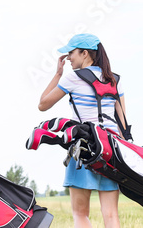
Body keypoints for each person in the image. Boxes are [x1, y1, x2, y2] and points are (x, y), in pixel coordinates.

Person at [38, 33, 125, 228]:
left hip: (84, 147)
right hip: (112, 149)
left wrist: (57, 74)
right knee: (111, 215)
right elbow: (123, 124)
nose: (68, 58)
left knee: (80, 214)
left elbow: (43, 104)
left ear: (85, 53)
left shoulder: (73, 78)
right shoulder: (114, 80)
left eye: (71, 53)